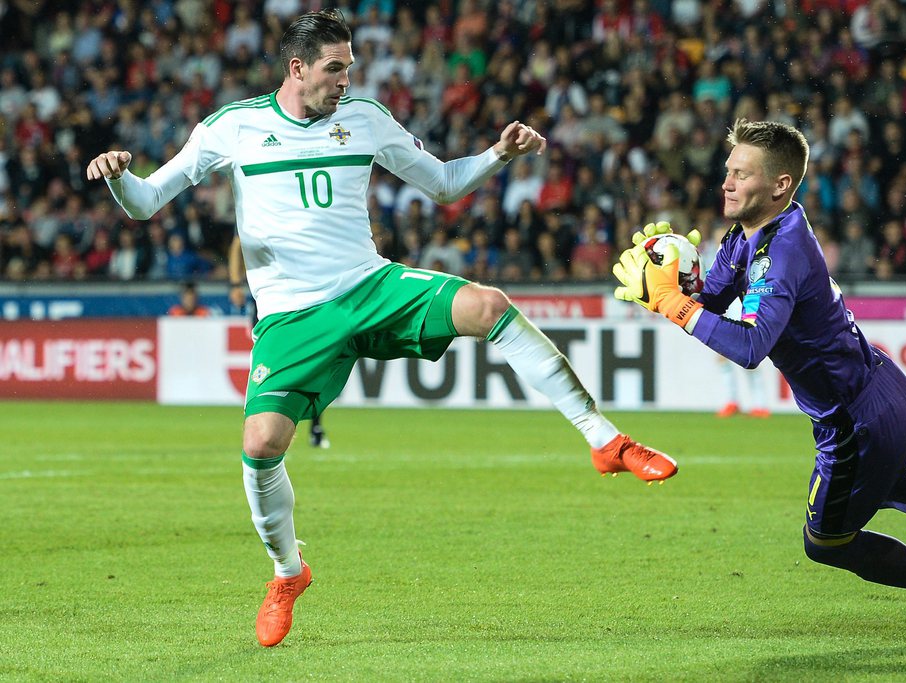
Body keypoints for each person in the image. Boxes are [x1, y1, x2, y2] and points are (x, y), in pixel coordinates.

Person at [87, 10, 674, 648]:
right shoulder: (232, 128)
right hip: (291, 314)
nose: (344, 80)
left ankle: (604, 441)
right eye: (333, 69)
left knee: (488, 305)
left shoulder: (364, 118)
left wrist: (498, 154)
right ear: (298, 68)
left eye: (349, 69)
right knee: (259, 447)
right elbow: (146, 204)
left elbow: (445, 185)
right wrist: (120, 177)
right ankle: (288, 573)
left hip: (369, 287)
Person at [612, 118, 906, 624]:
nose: (727, 182)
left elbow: (749, 346)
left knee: (825, 542)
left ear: (780, 184)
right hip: (884, 387)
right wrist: (671, 269)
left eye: (742, 173)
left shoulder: (780, 253)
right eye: (728, 170)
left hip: (852, 421)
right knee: (886, 483)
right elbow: (712, 298)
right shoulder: (755, 232)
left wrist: (673, 304)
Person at [229, 234, 329, 449]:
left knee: (311, 361)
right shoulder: (268, 214)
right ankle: (264, 422)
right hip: (270, 301)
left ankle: (313, 424)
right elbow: (238, 243)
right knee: (268, 363)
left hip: (303, 298)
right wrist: (235, 283)